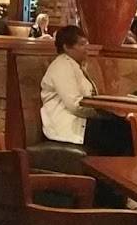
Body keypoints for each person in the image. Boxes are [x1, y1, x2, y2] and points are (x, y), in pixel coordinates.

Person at [40, 26, 130, 155]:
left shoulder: (76, 65)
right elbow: (75, 105)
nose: (86, 48)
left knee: (124, 125)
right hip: (67, 126)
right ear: (67, 47)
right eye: (82, 44)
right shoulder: (61, 66)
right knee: (122, 131)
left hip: (82, 121)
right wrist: (99, 114)